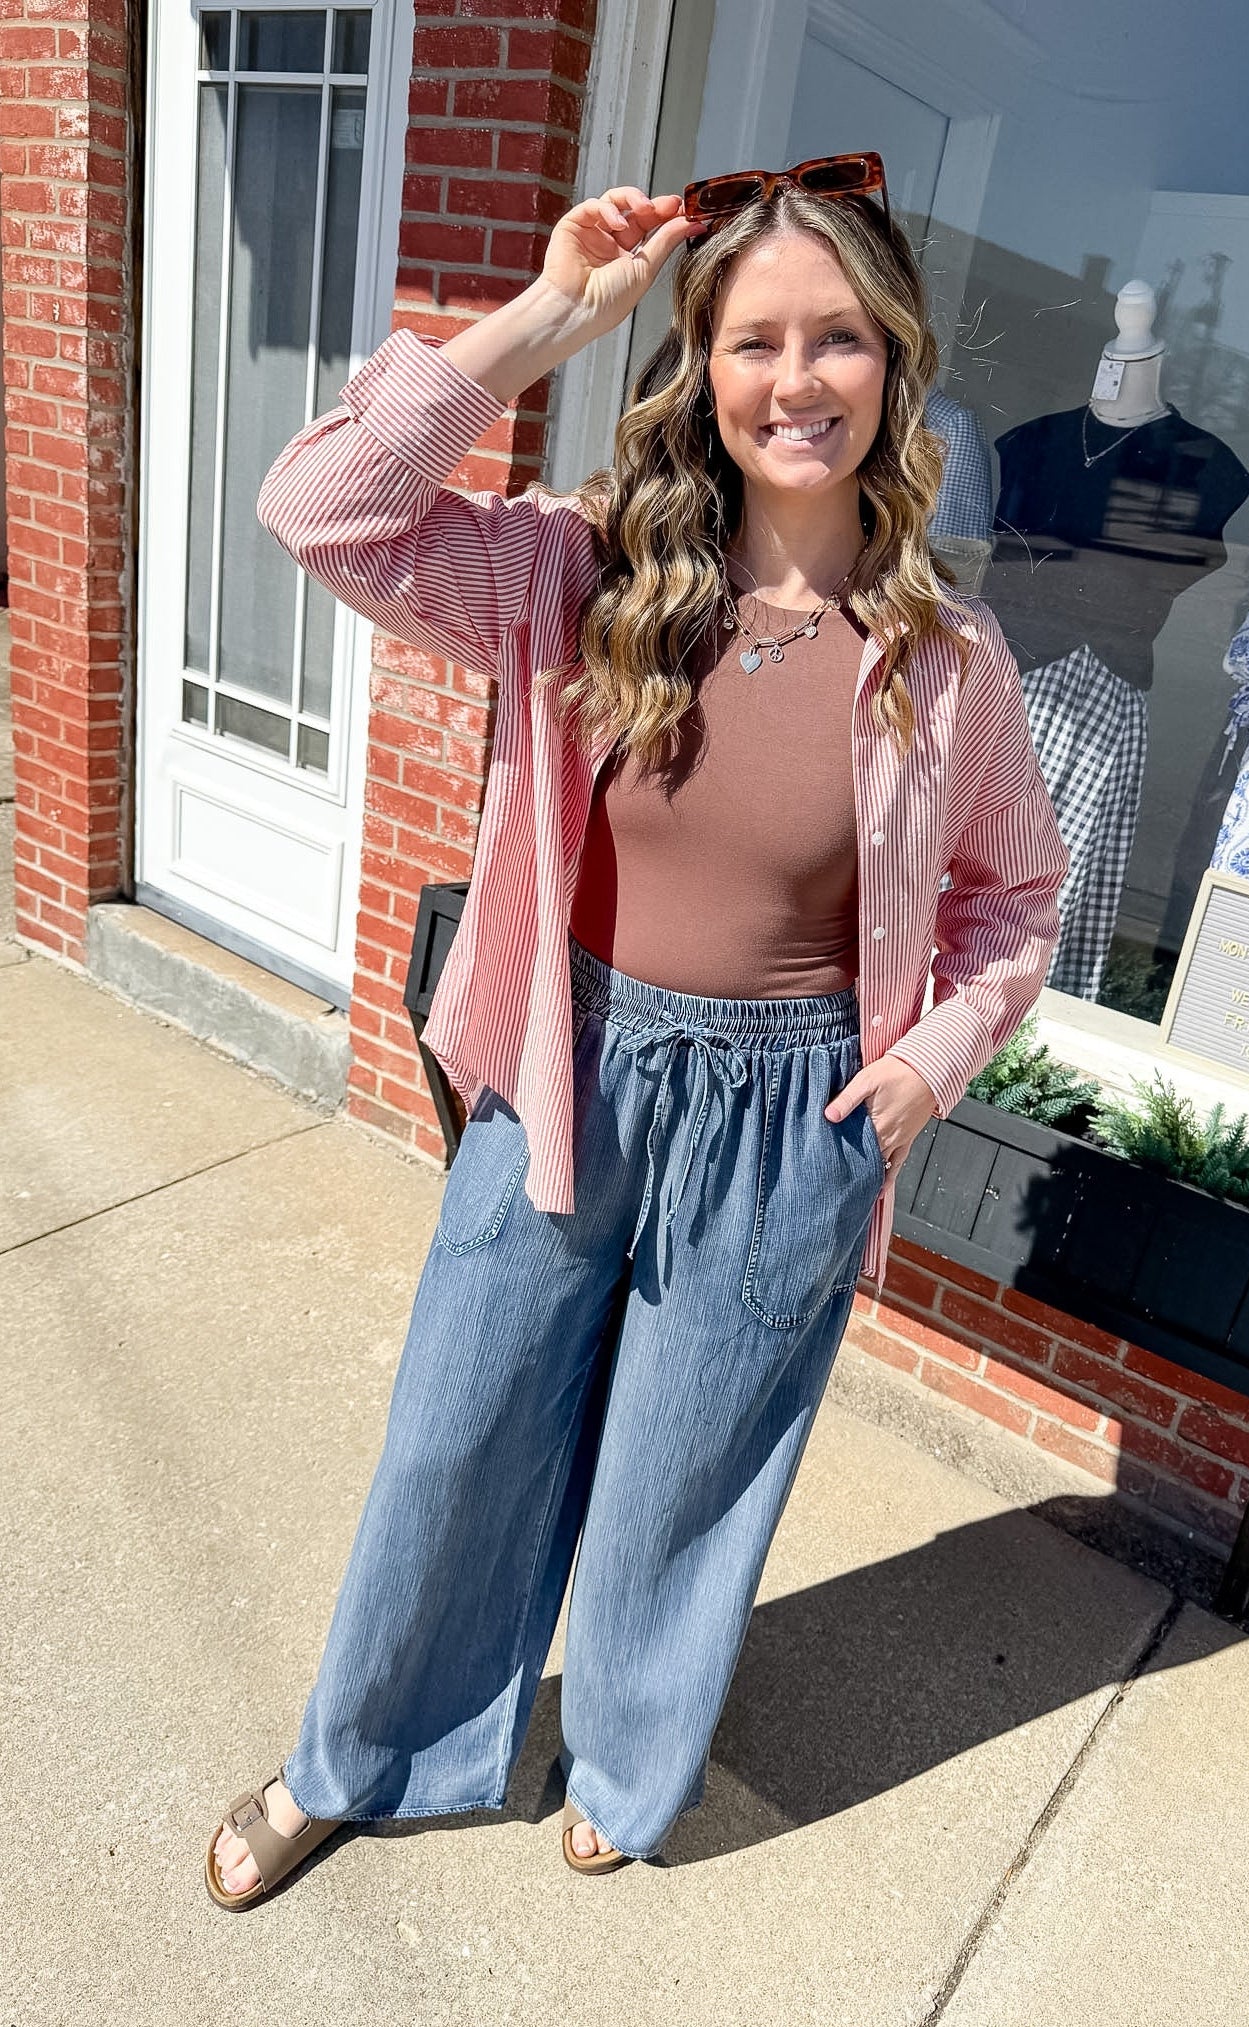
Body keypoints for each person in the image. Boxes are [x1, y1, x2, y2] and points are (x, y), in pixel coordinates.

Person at [205, 155, 1069, 1908]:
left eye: (836, 339)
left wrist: (915, 1073)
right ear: (704, 365)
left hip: (787, 1107)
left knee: (682, 1480)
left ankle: (626, 1751)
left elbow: (1012, 905)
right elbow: (321, 509)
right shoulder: (577, 572)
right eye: (755, 340)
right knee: (457, 1435)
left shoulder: (944, 657)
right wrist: (545, 315)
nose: (795, 379)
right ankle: (360, 1756)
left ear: (892, 366)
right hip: (561, 1066)